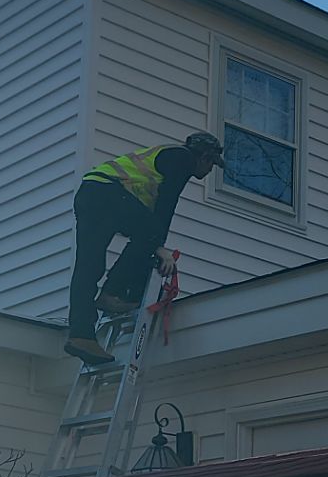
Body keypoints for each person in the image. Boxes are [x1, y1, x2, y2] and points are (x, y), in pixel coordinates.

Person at [64, 131, 222, 364]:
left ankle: (81, 335)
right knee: (147, 236)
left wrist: (152, 242)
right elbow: (166, 206)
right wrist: (159, 246)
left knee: (89, 264)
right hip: (107, 192)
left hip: (92, 192)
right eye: (212, 163)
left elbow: (143, 217)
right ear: (204, 156)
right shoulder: (182, 158)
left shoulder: (167, 157)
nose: (210, 170)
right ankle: (111, 293)